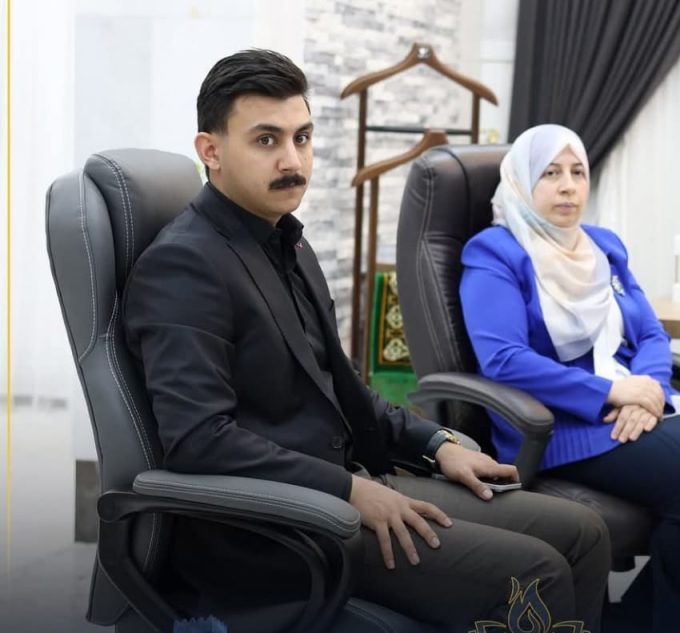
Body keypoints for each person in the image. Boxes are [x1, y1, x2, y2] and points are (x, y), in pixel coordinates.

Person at [123, 51, 610, 631]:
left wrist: (437, 445)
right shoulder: (185, 264)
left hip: (343, 486)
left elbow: (343, 389)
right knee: (535, 572)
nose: (292, 160)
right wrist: (351, 490)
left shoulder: (286, 242)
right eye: (266, 140)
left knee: (583, 532)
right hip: (278, 530)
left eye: (302, 138)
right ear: (211, 151)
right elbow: (198, 440)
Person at [460, 124, 680, 633]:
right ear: (521, 184)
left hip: (637, 403)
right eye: (550, 174)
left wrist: (649, 391)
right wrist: (613, 392)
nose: (568, 186)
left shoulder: (603, 246)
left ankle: (647, 618)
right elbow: (504, 359)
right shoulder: (493, 253)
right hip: (559, 422)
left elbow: (651, 334)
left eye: (578, 172)